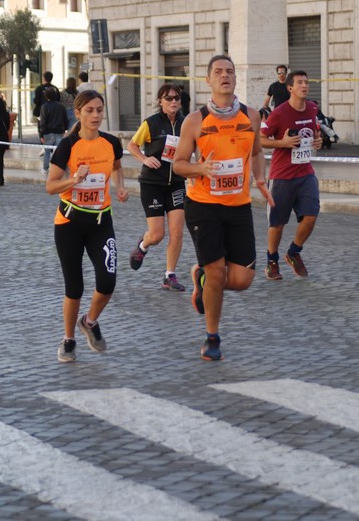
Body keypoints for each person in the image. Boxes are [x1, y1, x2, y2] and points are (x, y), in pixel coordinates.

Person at [173, 55, 274, 361]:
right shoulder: (195, 120)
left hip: (238, 206)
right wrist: (199, 168)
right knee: (217, 270)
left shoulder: (251, 116)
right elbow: (178, 164)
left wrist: (259, 179)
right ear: (208, 81)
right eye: (218, 72)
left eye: (229, 71)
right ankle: (212, 336)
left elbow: (256, 152)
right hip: (203, 206)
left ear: (235, 78)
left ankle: (201, 278)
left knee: (242, 280)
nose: (225, 76)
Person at [45, 90, 129, 363]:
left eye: (99, 110)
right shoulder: (67, 146)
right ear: (78, 113)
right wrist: (74, 180)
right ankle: (68, 339)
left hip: (100, 222)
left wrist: (120, 187)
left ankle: (89, 322)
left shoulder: (112, 143)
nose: (96, 115)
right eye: (90, 110)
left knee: (108, 281)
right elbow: (50, 186)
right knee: (75, 287)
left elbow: (116, 166)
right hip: (69, 223)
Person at [260, 70, 323, 281]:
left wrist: (318, 141)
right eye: (300, 83)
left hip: (305, 173)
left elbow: (315, 132)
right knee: (277, 224)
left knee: (311, 216)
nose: (305, 86)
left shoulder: (313, 108)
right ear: (290, 88)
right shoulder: (279, 113)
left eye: (306, 82)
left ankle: (294, 252)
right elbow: (259, 139)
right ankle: (272, 260)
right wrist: (282, 143)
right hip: (282, 177)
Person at [128, 83, 186, 291]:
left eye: (176, 98)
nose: (173, 102)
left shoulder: (186, 124)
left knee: (177, 232)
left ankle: (169, 275)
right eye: (168, 98)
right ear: (160, 101)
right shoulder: (151, 123)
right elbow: (132, 145)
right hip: (152, 183)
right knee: (157, 235)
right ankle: (143, 245)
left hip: (177, 183)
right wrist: (144, 159)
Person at [39, 87, 68, 175]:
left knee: (47, 151)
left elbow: (43, 121)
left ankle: (45, 169)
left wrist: (41, 134)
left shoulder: (44, 107)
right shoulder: (61, 106)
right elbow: (65, 119)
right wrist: (65, 128)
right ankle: (57, 169)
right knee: (58, 152)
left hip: (48, 132)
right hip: (59, 131)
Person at [33, 71, 61, 156]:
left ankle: (44, 147)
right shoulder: (55, 88)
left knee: (42, 129)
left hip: (42, 113)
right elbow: (59, 99)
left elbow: (36, 101)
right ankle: (51, 147)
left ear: (44, 78)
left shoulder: (39, 88)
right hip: (54, 113)